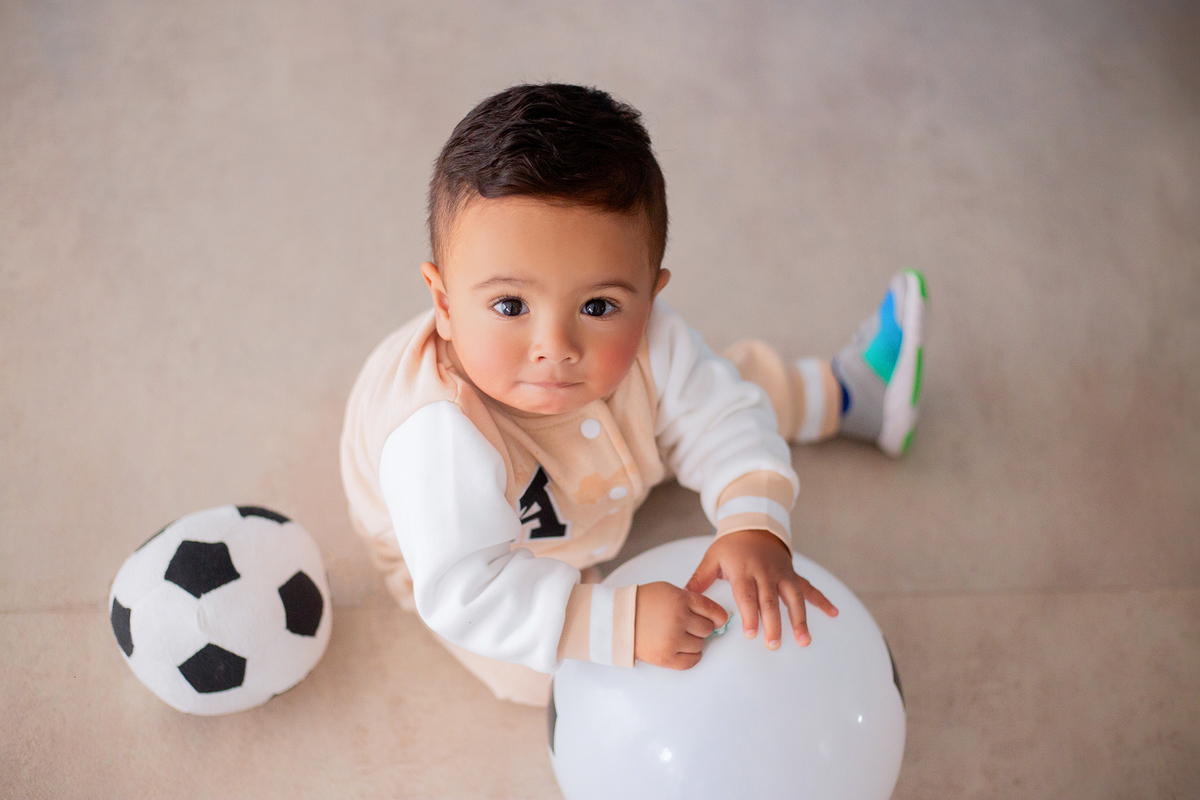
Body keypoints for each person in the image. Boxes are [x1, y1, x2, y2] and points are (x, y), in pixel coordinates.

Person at [339, 83, 927, 706]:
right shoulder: (436, 436)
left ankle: (847, 392)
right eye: (510, 305)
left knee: (725, 391)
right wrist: (616, 624)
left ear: (650, 295)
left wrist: (754, 522)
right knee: (548, 676)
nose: (555, 345)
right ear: (444, 304)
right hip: (476, 548)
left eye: (598, 305)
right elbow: (467, 592)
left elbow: (722, 418)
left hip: (604, 462)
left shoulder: (648, 341)